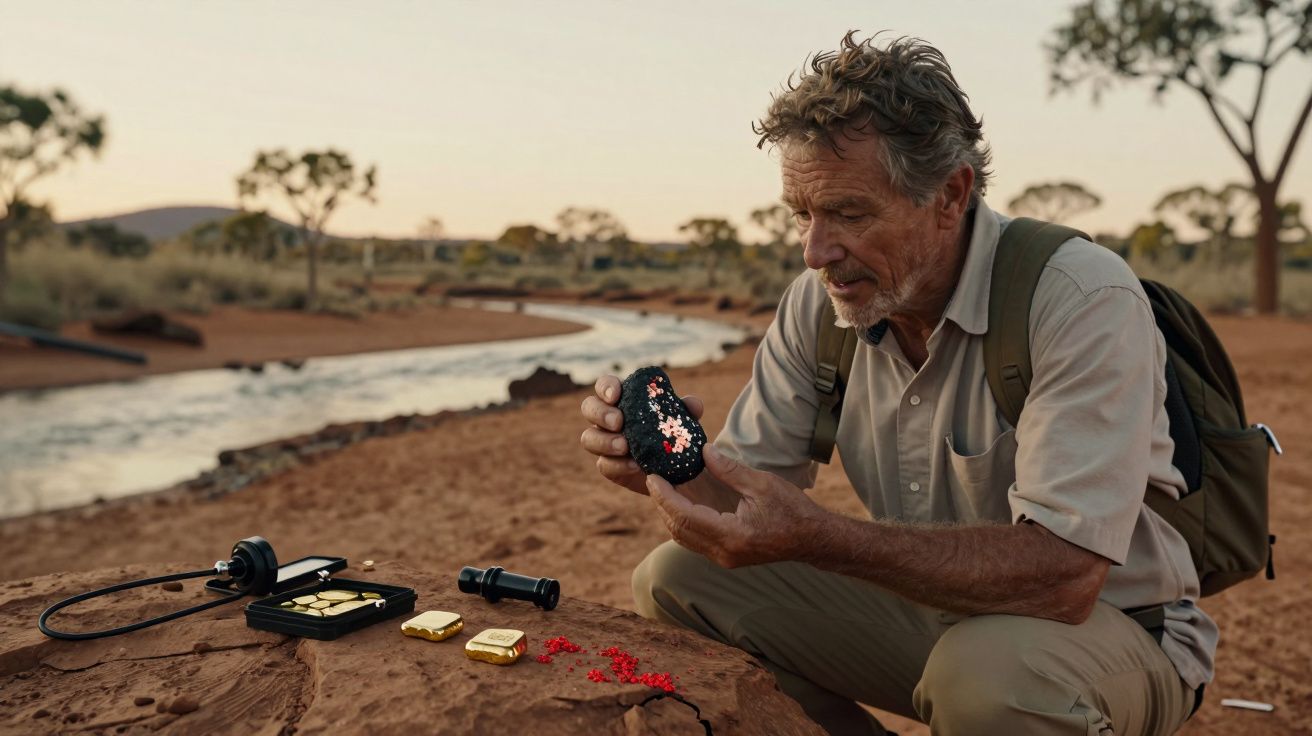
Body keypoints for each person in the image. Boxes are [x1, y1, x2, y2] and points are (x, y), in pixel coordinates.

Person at [579, 32, 1214, 736]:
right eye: (802, 214)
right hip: (932, 608)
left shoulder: (1077, 296)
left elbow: (1064, 577)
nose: (816, 251)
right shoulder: (819, 303)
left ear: (950, 194)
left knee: (985, 680)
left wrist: (821, 538)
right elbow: (739, 506)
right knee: (676, 580)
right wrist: (668, 470)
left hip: (1113, 629)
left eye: (849, 214)